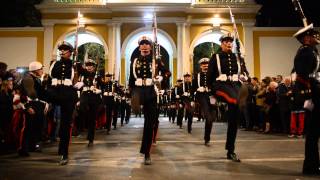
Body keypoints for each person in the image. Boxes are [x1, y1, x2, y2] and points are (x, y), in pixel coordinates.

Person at [129, 36, 170, 165]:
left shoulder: (156, 60)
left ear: (150, 47)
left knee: (149, 123)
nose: (145, 46)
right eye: (142, 44)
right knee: (135, 98)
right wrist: (131, 93)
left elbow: (168, 73)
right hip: (138, 90)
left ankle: (146, 152)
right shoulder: (134, 61)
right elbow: (131, 79)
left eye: (147, 44)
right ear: (139, 46)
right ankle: (135, 103)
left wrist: (161, 78)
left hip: (151, 92)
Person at [207, 33, 249, 162]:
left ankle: (230, 150)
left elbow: (246, 74)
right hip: (221, 85)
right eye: (226, 41)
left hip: (235, 86)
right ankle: (230, 104)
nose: (229, 43)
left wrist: (245, 77)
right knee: (233, 100)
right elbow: (209, 76)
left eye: (230, 41)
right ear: (222, 44)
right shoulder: (216, 57)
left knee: (234, 120)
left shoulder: (238, 57)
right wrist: (211, 93)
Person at [292, 24, 320, 175]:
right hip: (313, 96)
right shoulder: (305, 52)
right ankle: (311, 166)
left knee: (314, 133)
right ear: (307, 38)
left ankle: (313, 165)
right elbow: (302, 76)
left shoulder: (312, 51)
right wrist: (308, 96)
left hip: (316, 92)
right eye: (313, 35)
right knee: (313, 133)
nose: (317, 36)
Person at [48, 41, 78, 165]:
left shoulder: (75, 65)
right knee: (51, 119)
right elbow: (49, 79)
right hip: (54, 94)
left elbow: (87, 75)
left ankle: (64, 152)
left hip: (68, 95)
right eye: (61, 49)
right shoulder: (54, 64)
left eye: (65, 49)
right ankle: (50, 138)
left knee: (65, 124)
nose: (62, 51)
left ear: (70, 52)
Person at [76, 59, 102, 147]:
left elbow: (102, 86)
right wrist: (78, 62)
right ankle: (81, 129)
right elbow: (79, 69)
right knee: (82, 111)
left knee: (92, 119)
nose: (89, 67)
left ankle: (91, 138)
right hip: (84, 96)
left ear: (94, 67)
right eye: (87, 65)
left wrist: (99, 90)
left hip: (94, 97)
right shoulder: (83, 74)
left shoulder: (97, 76)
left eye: (91, 65)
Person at [193, 58, 216, 146]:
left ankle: (207, 137)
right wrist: (193, 98)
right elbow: (193, 88)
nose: (205, 65)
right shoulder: (197, 76)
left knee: (212, 117)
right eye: (203, 64)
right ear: (200, 66)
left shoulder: (213, 75)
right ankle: (207, 139)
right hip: (202, 96)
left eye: (207, 64)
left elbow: (217, 85)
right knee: (208, 117)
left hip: (212, 96)